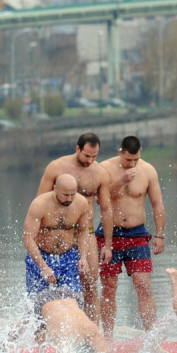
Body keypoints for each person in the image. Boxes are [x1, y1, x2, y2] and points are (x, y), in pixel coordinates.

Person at [36, 132, 113, 323]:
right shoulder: (56, 167)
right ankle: (52, 333)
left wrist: (108, 244)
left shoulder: (100, 173)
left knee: (90, 287)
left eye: (94, 156)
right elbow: (39, 203)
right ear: (77, 148)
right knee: (48, 290)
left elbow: (107, 210)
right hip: (57, 234)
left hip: (85, 233)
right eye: (87, 155)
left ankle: (91, 338)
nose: (90, 160)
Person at [97, 136, 165, 337]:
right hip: (109, 234)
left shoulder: (148, 170)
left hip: (137, 235)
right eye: (128, 160)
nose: (132, 164)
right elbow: (100, 201)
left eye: (135, 159)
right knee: (109, 288)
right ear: (120, 153)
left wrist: (160, 235)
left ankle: (152, 339)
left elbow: (157, 204)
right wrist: (121, 181)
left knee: (144, 287)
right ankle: (107, 338)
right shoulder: (105, 168)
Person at [22, 173, 93, 307]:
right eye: (66, 195)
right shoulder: (39, 204)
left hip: (68, 256)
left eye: (73, 194)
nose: (70, 198)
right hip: (41, 255)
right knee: (36, 305)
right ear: (55, 188)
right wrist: (43, 267)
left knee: (73, 301)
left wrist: (83, 257)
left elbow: (84, 231)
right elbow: (28, 237)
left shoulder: (81, 203)